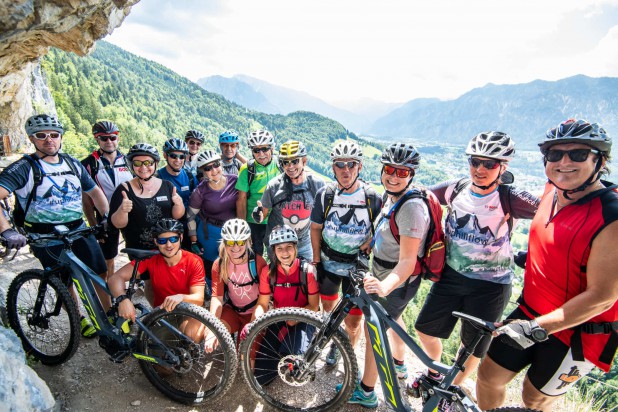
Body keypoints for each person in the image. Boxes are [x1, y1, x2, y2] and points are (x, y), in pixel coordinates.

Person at [476, 119, 618, 411]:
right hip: (530, 311)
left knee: (533, 399)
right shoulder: (552, 191)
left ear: (599, 161)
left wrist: (535, 328)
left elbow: (603, 297)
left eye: (578, 154)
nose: (564, 162)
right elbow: (562, 242)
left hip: (578, 333)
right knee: (489, 376)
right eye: (555, 155)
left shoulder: (611, 215)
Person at [413, 132, 539, 389]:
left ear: (503, 167)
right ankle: (435, 374)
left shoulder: (510, 196)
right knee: (424, 330)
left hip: (491, 286)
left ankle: (451, 389)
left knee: (470, 347)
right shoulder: (456, 188)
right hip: (451, 276)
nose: (480, 169)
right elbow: (421, 196)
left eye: (490, 163)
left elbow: (552, 212)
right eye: (474, 161)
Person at [0, 114, 110, 337]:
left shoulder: (71, 163)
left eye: (54, 135)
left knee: (99, 271)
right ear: (32, 138)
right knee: (64, 278)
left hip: (78, 227)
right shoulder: (23, 168)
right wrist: (6, 230)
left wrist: (105, 217)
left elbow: (95, 192)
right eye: (42, 135)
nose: (49, 139)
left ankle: (108, 316)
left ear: (60, 137)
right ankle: (78, 319)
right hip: (45, 234)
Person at [342, 142, 430, 408]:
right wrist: (371, 242)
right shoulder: (393, 197)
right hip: (384, 271)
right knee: (395, 318)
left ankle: (367, 391)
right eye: (389, 169)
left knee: (373, 333)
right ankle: (400, 365)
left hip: (396, 278)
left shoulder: (412, 208)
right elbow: (387, 227)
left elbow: (407, 261)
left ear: (411, 175)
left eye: (401, 172)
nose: (393, 176)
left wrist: (384, 286)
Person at [310, 141, 382, 365]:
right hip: (329, 264)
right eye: (340, 165)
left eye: (351, 164)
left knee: (352, 322)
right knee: (330, 313)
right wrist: (315, 261)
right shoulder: (325, 195)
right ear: (333, 168)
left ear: (359, 167)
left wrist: (372, 240)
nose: (345, 170)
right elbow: (315, 228)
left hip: (356, 270)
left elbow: (383, 228)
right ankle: (332, 340)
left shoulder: (372, 197)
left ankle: (345, 355)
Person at [108, 218, 205, 340]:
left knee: (191, 336)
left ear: (181, 238)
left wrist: (181, 297)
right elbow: (115, 278)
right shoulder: (151, 258)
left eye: (173, 239)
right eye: (162, 240)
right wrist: (123, 300)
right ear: (156, 241)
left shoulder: (194, 261)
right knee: (153, 349)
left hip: (189, 310)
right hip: (164, 312)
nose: (169, 245)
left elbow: (199, 298)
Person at [250, 224, 320, 385]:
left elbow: (314, 306)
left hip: (303, 319)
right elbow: (262, 302)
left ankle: (303, 347)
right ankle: (281, 351)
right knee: (261, 378)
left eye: (289, 247)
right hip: (278, 319)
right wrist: (256, 320)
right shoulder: (268, 273)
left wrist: (294, 319)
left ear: (296, 247)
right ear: (273, 251)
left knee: (296, 367)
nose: (285, 252)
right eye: (279, 248)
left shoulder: (307, 271)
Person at [253, 140, 324, 260]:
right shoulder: (274, 186)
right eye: (285, 162)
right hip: (279, 245)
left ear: (304, 161)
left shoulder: (317, 184)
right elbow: (262, 215)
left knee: (308, 277)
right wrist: (258, 213)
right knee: (279, 278)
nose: (290, 166)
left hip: (305, 244)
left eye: (295, 161)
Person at [81, 120, 133, 279]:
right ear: (97, 139)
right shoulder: (88, 164)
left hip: (131, 213)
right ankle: (110, 291)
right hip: (105, 217)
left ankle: (138, 282)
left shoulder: (129, 161)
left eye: (113, 137)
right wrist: (93, 223)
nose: (109, 141)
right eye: (104, 138)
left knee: (135, 250)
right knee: (108, 257)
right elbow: (86, 198)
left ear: (118, 138)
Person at [206, 219, 267, 351]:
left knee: (244, 359)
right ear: (224, 242)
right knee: (217, 334)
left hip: (253, 312)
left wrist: (253, 324)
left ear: (248, 241)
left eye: (240, 242)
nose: (235, 247)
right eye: (230, 242)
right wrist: (212, 328)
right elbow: (217, 297)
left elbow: (264, 300)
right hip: (232, 310)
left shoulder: (258, 262)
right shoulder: (219, 264)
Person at [109, 143, 185, 251]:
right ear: (132, 165)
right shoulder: (124, 190)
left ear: (156, 164)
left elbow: (177, 215)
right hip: (139, 252)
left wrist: (179, 204)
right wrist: (122, 210)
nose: (143, 167)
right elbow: (117, 224)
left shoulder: (167, 186)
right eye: (137, 163)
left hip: (167, 249)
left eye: (148, 162)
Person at [187, 150, 238, 283]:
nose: (214, 170)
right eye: (208, 168)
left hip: (232, 231)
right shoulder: (200, 190)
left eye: (216, 165)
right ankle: (213, 295)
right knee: (210, 266)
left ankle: (232, 294)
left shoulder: (235, 181)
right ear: (203, 172)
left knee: (232, 263)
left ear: (221, 164)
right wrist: (193, 241)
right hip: (209, 232)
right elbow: (190, 216)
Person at [235, 130, 280, 256]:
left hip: (275, 220)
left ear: (272, 148)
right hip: (254, 222)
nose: (261, 154)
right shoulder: (247, 169)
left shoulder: (280, 165)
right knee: (255, 256)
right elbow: (241, 200)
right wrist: (243, 228)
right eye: (256, 150)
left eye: (265, 149)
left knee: (277, 256)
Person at [157, 138, 198, 250]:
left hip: (186, 228)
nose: (178, 160)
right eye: (173, 156)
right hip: (164, 230)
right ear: (165, 155)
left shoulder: (189, 177)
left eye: (181, 157)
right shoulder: (157, 177)